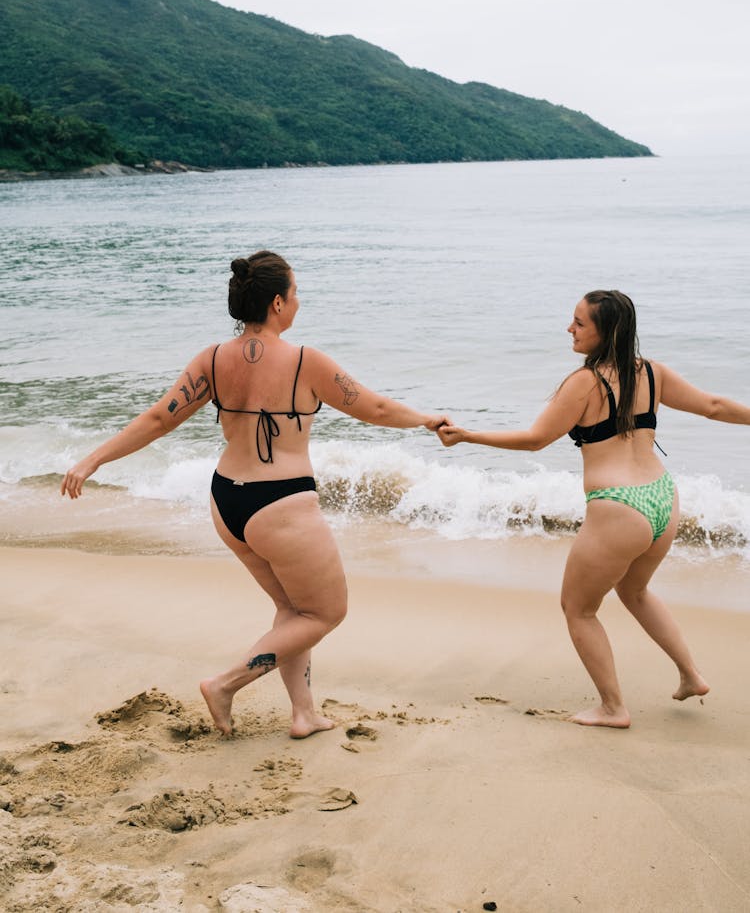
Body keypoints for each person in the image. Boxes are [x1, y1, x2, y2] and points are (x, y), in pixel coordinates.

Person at [61, 250, 448, 738]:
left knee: (294, 610)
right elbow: (373, 407)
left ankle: (303, 714)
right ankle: (225, 683)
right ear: (279, 303)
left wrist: (92, 459)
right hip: (281, 504)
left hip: (227, 502)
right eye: (295, 293)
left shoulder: (212, 359)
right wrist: (428, 419)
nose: (298, 301)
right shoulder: (306, 360)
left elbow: (161, 418)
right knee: (326, 612)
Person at [438, 289, 750, 728]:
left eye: (579, 322)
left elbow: (535, 439)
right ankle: (691, 675)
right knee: (635, 591)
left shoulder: (583, 383)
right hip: (663, 498)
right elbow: (714, 407)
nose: (570, 328)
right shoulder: (652, 373)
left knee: (579, 609)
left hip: (619, 507)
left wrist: (468, 436)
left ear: (607, 332)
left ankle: (612, 708)